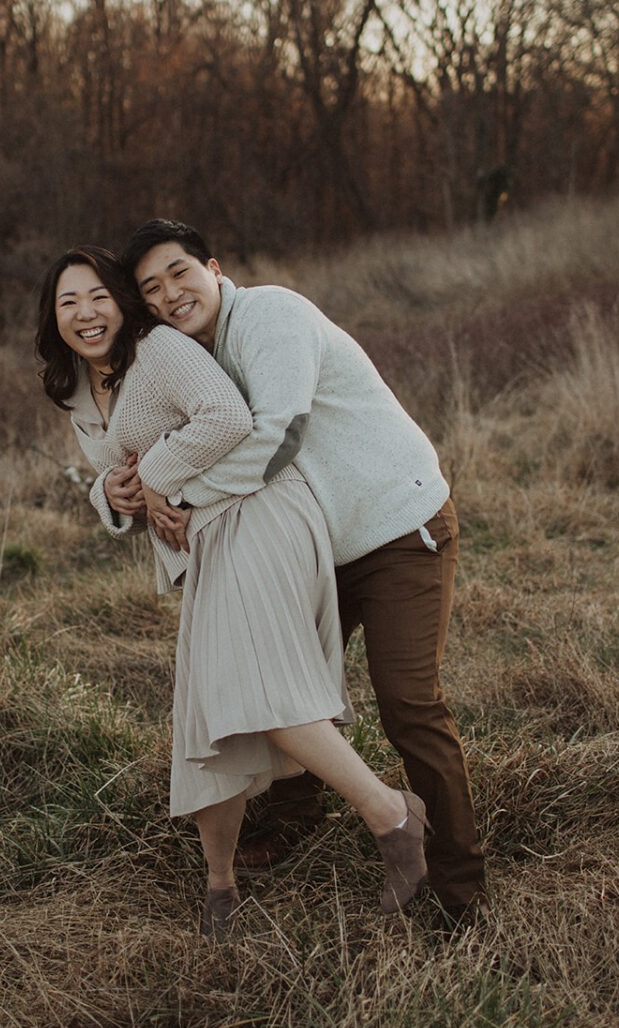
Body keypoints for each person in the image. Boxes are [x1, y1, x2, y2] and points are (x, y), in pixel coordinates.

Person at [35, 245, 430, 938]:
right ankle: (220, 883)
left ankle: (392, 815)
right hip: (204, 534)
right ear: (54, 318)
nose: (86, 313)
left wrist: (157, 478)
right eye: (69, 302)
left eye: (98, 295)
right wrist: (114, 491)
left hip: (259, 510)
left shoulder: (156, 348)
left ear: (122, 302)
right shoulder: (77, 386)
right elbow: (112, 473)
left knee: (253, 688)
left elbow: (227, 418)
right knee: (204, 709)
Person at [112, 220, 487, 931]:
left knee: (408, 702)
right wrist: (130, 485)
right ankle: (295, 818)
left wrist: (176, 492)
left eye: (180, 274)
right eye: (152, 290)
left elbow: (276, 435)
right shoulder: (190, 351)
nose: (170, 295)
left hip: (395, 527)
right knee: (277, 675)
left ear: (214, 268)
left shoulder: (272, 315)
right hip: (317, 547)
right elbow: (145, 443)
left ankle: (456, 882)